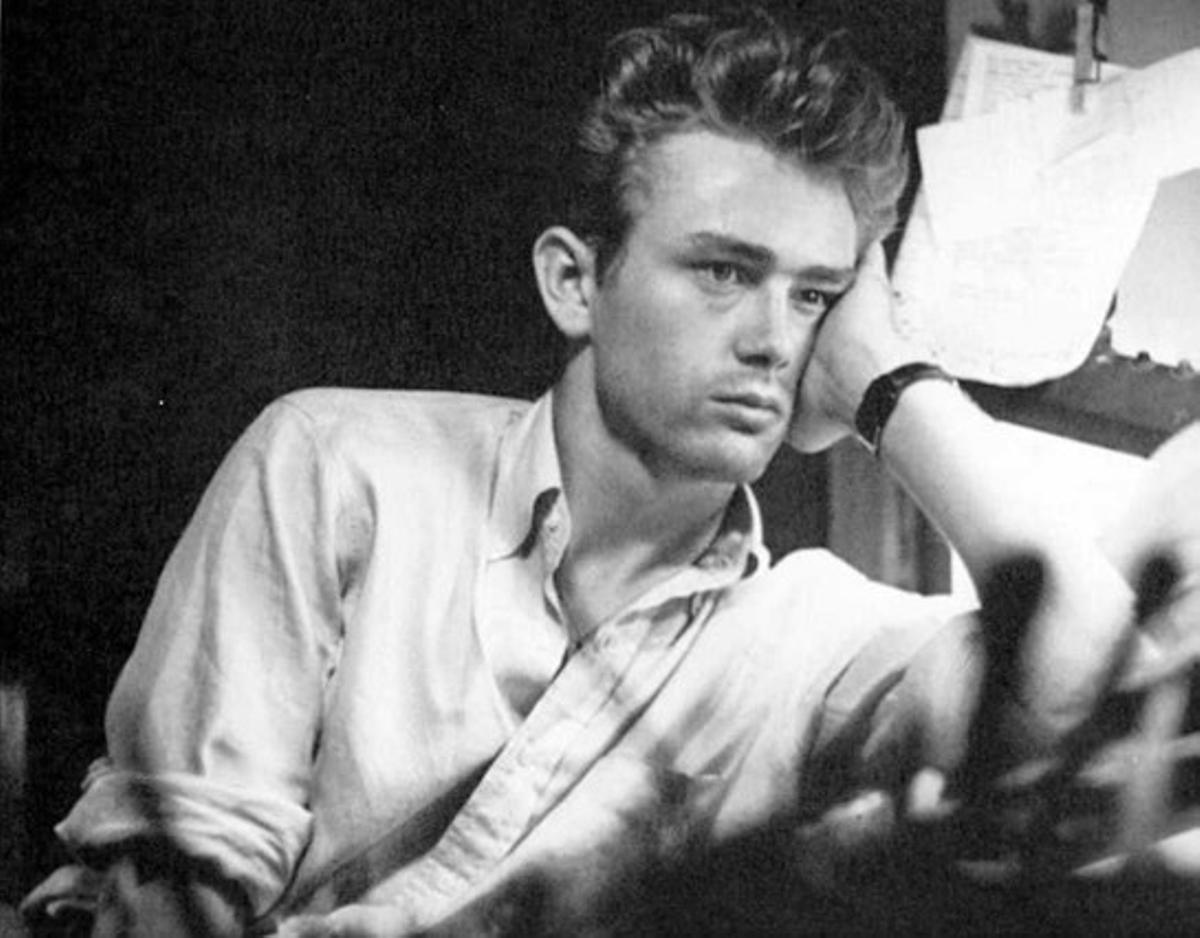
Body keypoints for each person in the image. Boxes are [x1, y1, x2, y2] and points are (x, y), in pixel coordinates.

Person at [22, 5, 1155, 936]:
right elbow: (170, 897)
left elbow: (1093, 692)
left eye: (814, 295)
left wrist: (888, 378)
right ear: (574, 283)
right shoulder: (339, 463)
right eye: (723, 271)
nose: (775, 339)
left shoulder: (809, 638)